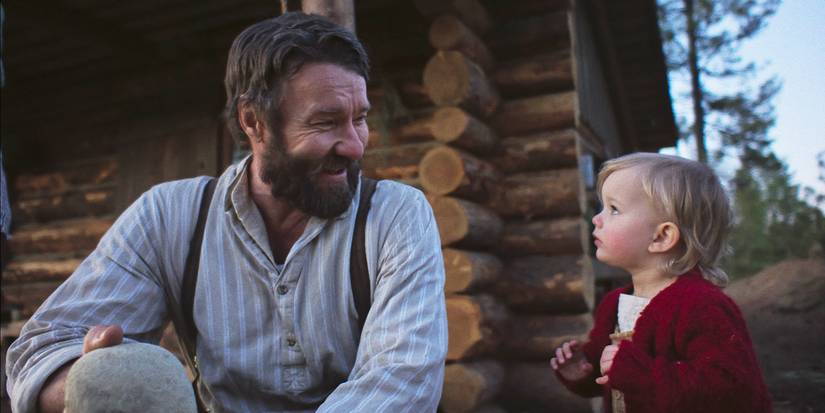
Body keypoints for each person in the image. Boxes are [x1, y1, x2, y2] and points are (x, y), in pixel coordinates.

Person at [6, 12, 448, 413]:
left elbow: (401, 382)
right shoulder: (169, 217)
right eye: (325, 122)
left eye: (360, 118)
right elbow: (39, 349)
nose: (354, 145)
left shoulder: (396, 217)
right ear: (253, 121)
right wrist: (89, 382)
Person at [550, 153, 771, 412]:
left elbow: (732, 389)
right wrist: (583, 371)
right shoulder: (614, 304)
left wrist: (636, 372)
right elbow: (611, 376)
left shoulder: (701, 305)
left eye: (614, 209)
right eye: (602, 207)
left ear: (662, 237)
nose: (596, 219)